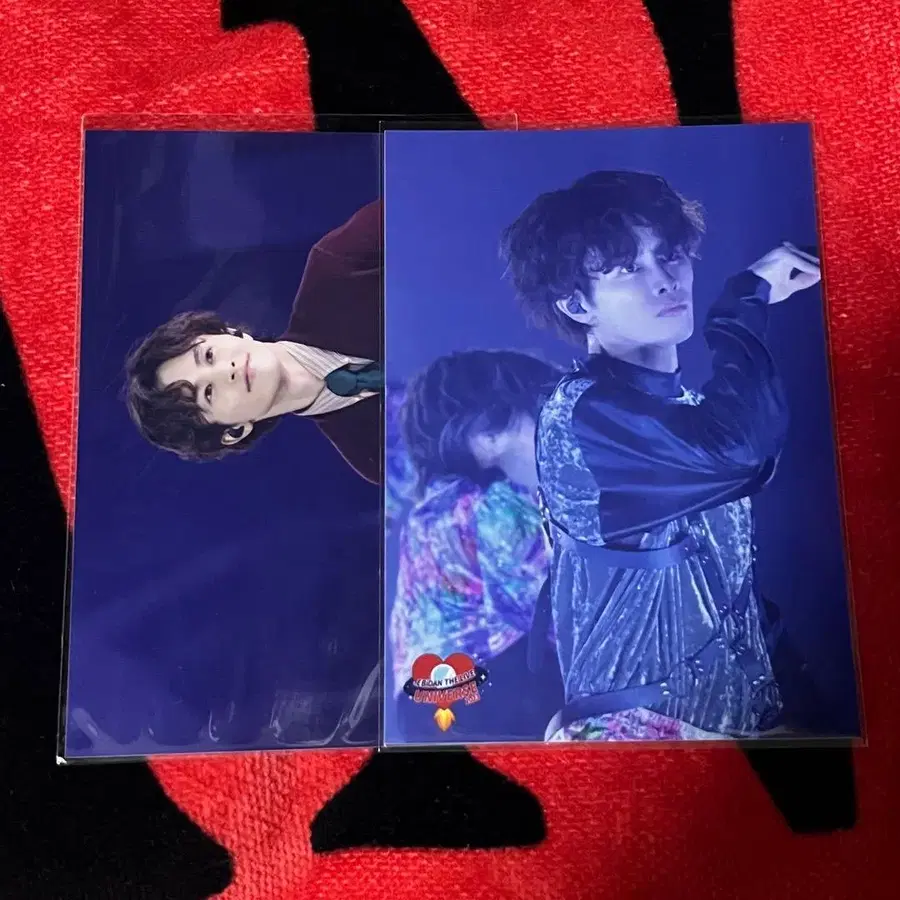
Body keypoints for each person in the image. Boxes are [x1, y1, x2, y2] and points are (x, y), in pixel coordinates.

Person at [500, 169, 821, 741]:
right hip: (635, 742)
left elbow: (726, 584)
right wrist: (742, 303)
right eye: (629, 268)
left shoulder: (685, 413)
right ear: (576, 304)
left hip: (732, 741)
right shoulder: (582, 415)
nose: (666, 280)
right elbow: (742, 449)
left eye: (670, 255)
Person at [124, 201, 383, 483]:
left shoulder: (338, 267)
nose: (227, 370)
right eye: (208, 393)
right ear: (234, 432)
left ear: (228, 331)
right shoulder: (374, 456)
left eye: (209, 355)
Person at [390, 349, 564, 742]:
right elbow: (556, 613)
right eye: (545, 418)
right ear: (487, 435)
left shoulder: (435, 509)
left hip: (428, 706)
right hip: (490, 695)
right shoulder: (495, 505)